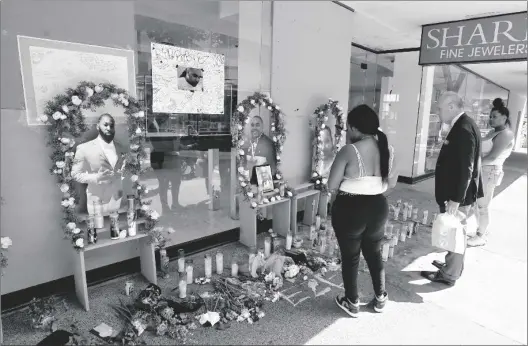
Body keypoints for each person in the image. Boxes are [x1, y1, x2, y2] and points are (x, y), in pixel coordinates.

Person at [328, 104, 397, 317]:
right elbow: (391, 184)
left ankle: (352, 301)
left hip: (350, 208)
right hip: (377, 207)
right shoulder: (388, 149)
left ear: (355, 128)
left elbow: (331, 185)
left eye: (349, 128)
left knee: (351, 257)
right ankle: (381, 297)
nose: (348, 133)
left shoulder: (349, 151)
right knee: (374, 253)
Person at [421, 92, 483, 286]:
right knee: (452, 231)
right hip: (459, 193)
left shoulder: (463, 128)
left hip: (458, 196)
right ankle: (451, 266)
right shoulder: (464, 124)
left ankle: (449, 274)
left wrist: (456, 199)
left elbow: (467, 168)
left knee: (456, 232)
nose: (437, 112)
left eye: (439, 108)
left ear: (451, 106)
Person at [468, 98, 514, 247]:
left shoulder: (506, 134)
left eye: (494, 116)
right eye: (490, 116)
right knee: (477, 203)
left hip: (489, 171)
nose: (491, 119)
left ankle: (481, 236)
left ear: (504, 117)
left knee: (483, 206)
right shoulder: (494, 132)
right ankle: (481, 230)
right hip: (482, 170)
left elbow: (492, 156)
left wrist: (472, 164)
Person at [71, 113, 126, 214]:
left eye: (111, 125)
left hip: (117, 199)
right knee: (98, 229)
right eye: (105, 125)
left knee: (115, 228)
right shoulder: (84, 148)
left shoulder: (120, 147)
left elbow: (121, 170)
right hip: (96, 201)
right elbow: (75, 174)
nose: (109, 128)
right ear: (97, 126)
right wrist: (96, 177)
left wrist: (122, 172)